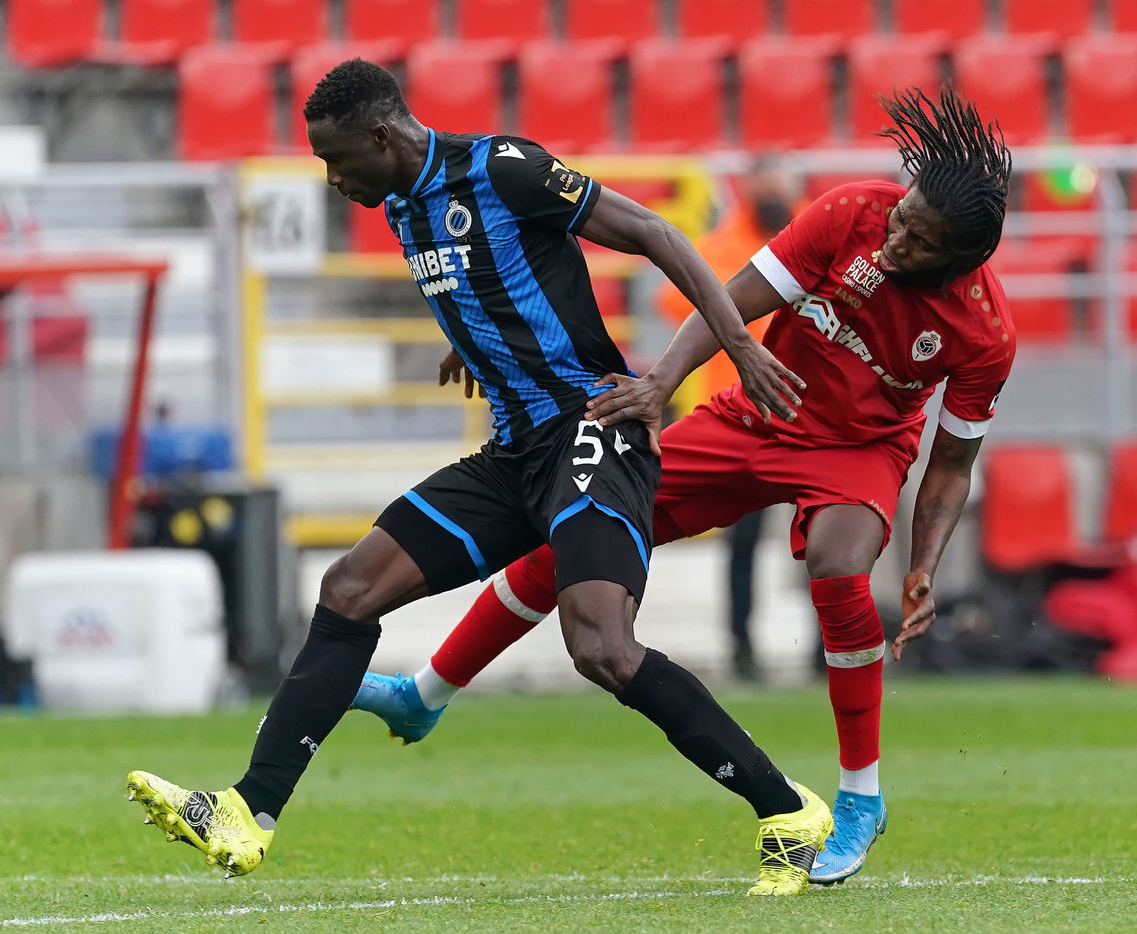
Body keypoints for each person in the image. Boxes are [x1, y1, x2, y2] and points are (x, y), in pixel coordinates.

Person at [126, 59, 833, 896]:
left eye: (337, 159)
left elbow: (656, 232)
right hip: (514, 454)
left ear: (382, 136)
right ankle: (248, 811)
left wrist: (738, 347)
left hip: (590, 428)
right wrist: (477, 344)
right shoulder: (400, 203)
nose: (333, 179)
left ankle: (788, 810)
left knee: (601, 647)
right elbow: (494, 280)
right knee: (349, 589)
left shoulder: (501, 167)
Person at [350, 86, 1015, 887]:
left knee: (839, 567)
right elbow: (728, 298)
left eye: (919, 240)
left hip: (858, 448)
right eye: (902, 217)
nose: (897, 237)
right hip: (757, 412)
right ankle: (425, 694)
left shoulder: (985, 333)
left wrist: (924, 565)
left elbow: (952, 463)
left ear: (960, 258)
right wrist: (659, 385)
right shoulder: (851, 214)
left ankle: (860, 797)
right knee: (577, 527)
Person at [657, 154, 807, 680]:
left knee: (823, 538)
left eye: (779, 189)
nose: (773, 199)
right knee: (742, 543)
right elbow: (674, 305)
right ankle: (742, 646)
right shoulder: (720, 248)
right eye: (765, 189)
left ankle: (824, 649)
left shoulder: (817, 236)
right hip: (744, 419)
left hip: (810, 417)